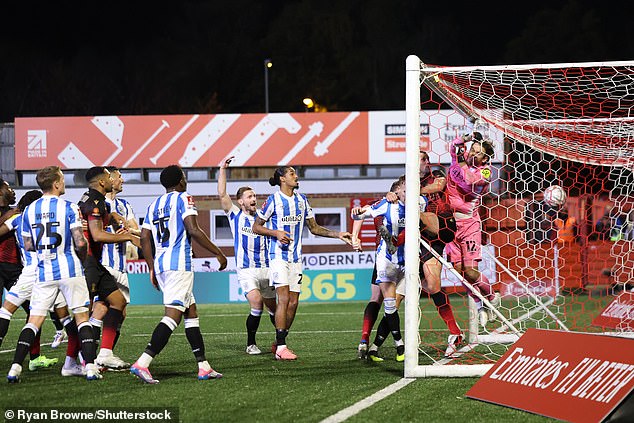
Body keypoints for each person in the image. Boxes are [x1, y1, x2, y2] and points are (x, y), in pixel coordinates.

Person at [131, 165, 228, 384]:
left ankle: (203, 366)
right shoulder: (184, 198)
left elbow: (145, 238)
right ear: (180, 181)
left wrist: (151, 266)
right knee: (172, 315)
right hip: (178, 266)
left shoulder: (153, 205)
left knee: (190, 311)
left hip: (163, 264)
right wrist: (218, 253)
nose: (186, 181)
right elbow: (193, 229)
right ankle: (143, 362)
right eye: (184, 177)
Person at [7, 166, 101, 382]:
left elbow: (28, 245)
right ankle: (90, 368)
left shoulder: (29, 210)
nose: (65, 183)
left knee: (34, 321)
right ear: (56, 184)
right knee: (82, 318)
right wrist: (82, 255)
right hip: (69, 268)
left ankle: (15, 368)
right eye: (62, 179)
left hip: (43, 272)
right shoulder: (68, 207)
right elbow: (79, 241)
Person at [252, 166, 352, 360]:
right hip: (278, 257)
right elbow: (256, 227)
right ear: (282, 179)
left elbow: (314, 228)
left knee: (294, 303)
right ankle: (281, 347)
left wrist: (338, 234)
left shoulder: (302, 200)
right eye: (292, 174)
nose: (296, 176)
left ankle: (279, 340)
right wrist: (276, 233)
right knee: (284, 299)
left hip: (296, 258)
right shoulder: (273, 201)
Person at [78, 166, 140, 370]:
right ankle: (82, 357)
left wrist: (116, 220)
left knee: (118, 305)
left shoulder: (110, 204)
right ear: (105, 180)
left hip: (106, 264)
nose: (119, 179)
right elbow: (97, 234)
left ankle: (103, 354)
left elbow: (123, 225)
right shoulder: (94, 201)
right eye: (115, 176)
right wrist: (128, 235)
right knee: (88, 311)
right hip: (94, 262)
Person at [218, 156, 276, 355]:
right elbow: (222, 193)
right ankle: (251, 343)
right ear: (240, 201)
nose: (254, 199)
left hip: (267, 268)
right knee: (256, 302)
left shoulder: (263, 217)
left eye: (254, 196)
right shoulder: (235, 215)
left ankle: (280, 343)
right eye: (250, 196)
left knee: (274, 309)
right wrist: (222, 169)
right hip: (247, 269)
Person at [0, 190, 61, 371]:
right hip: (35, 270)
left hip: (20, 270)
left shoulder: (18, 216)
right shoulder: (18, 215)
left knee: (28, 312)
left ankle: (34, 357)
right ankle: (82, 359)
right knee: (63, 315)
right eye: (7, 188)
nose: (12, 191)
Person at [445, 132, 500, 327]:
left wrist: (460, 161)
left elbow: (468, 179)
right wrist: (466, 139)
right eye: (472, 150)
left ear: (485, 158)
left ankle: (492, 298)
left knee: (470, 271)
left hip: (469, 225)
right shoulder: (461, 158)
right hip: (450, 226)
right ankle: (480, 305)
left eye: (477, 152)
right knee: (460, 272)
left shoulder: (485, 172)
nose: (471, 154)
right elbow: (453, 146)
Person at [351, 176, 406, 362]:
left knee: (387, 303)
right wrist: (355, 237)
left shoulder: (415, 204)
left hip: (403, 257)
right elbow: (361, 214)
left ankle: (372, 345)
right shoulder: (385, 203)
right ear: (395, 192)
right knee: (381, 300)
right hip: (384, 257)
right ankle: (367, 341)